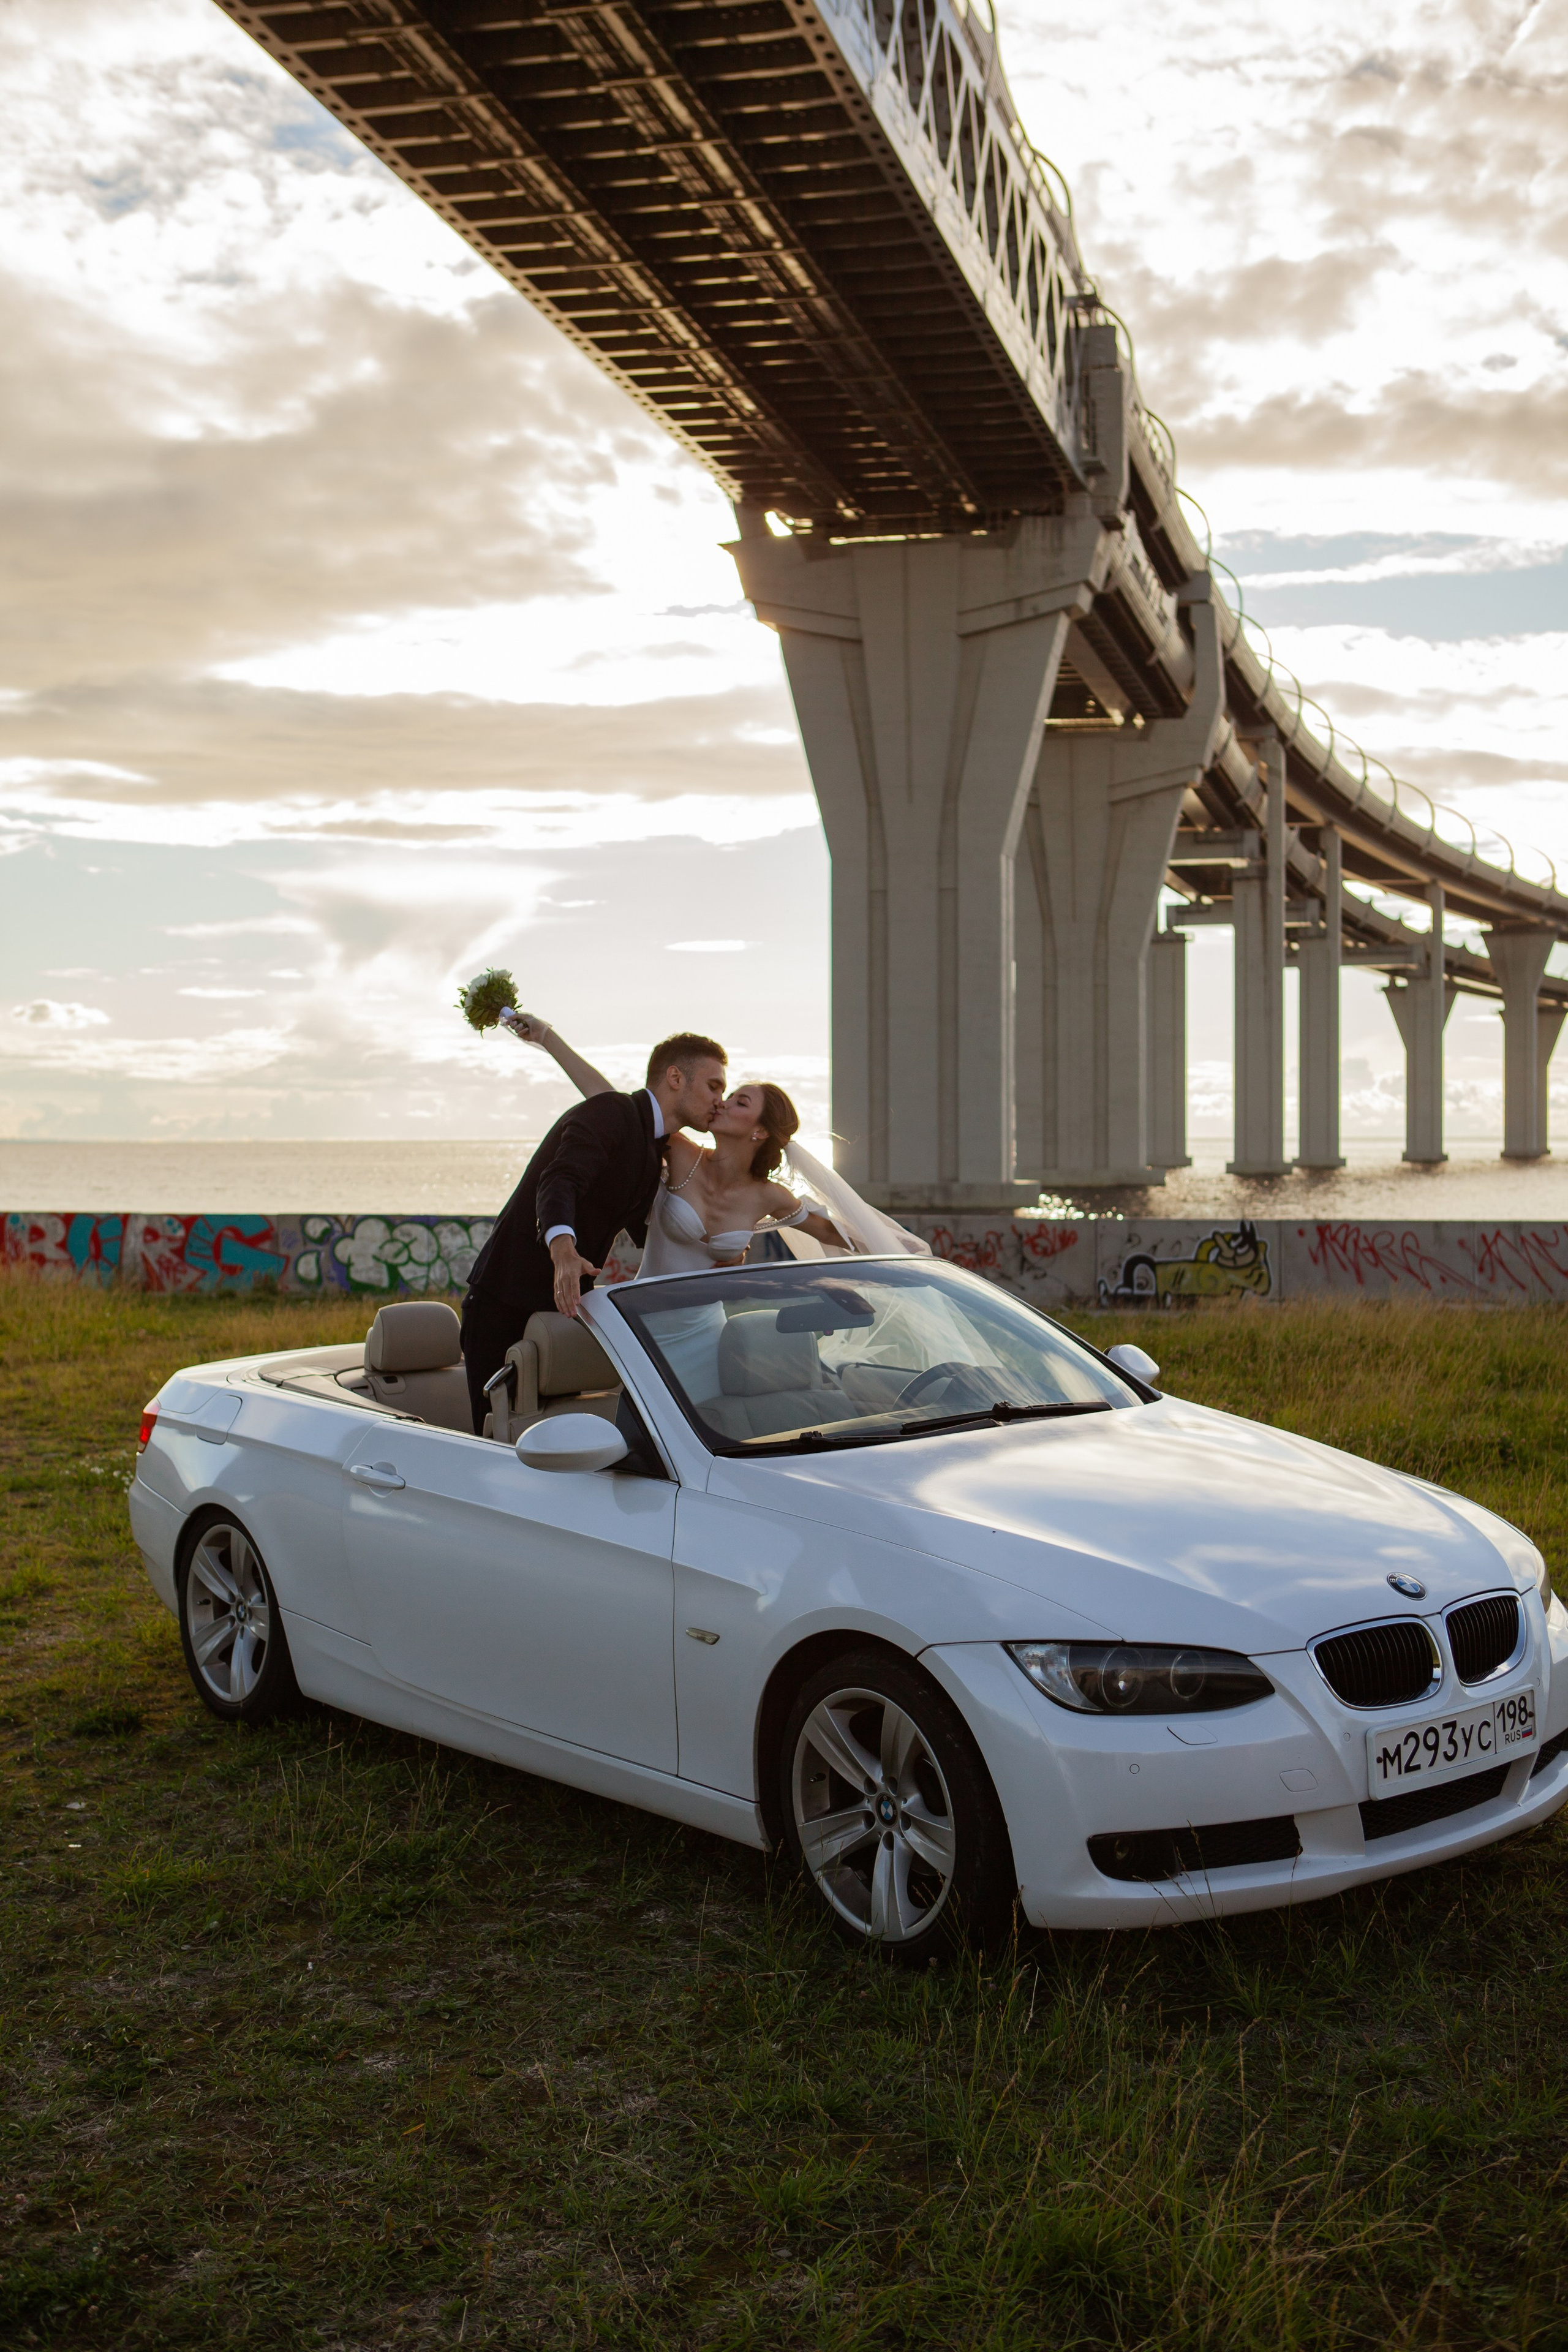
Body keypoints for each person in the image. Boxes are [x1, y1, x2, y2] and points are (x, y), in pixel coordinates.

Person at [458, 1030, 727, 1434]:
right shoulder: (610, 1112)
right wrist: (563, 1250)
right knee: (495, 1439)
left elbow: (652, 1235)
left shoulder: (656, 1149)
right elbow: (559, 1181)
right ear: (675, 1078)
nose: (719, 1100)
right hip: (503, 1303)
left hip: (565, 1315)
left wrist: (717, 1250)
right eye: (714, 1086)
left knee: (562, 1442)